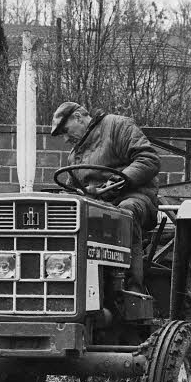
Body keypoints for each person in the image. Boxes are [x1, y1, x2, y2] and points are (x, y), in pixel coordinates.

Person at [49, 101, 160, 291]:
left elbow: (148, 159)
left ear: (78, 117)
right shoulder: (75, 155)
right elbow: (72, 188)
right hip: (97, 205)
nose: (66, 139)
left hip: (135, 197)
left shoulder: (118, 126)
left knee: (125, 212)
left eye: (66, 131)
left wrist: (118, 182)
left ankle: (132, 289)